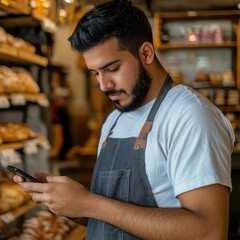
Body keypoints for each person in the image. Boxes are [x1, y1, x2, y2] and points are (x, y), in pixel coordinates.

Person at [13, 0, 235, 239]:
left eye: (113, 68)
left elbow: (209, 231)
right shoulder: (114, 121)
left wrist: (90, 203)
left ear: (146, 53)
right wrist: (70, 202)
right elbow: (117, 220)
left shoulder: (189, 116)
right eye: (95, 73)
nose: (103, 85)